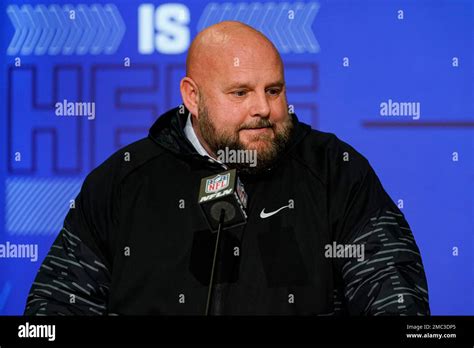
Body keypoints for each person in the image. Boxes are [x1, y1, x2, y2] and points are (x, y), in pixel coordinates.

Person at [24, 21, 430, 315]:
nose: (263, 109)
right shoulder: (122, 181)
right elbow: (55, 309)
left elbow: (396, 299)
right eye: (240, 92)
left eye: (274, 90)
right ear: (192, 96)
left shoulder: (335, 171)